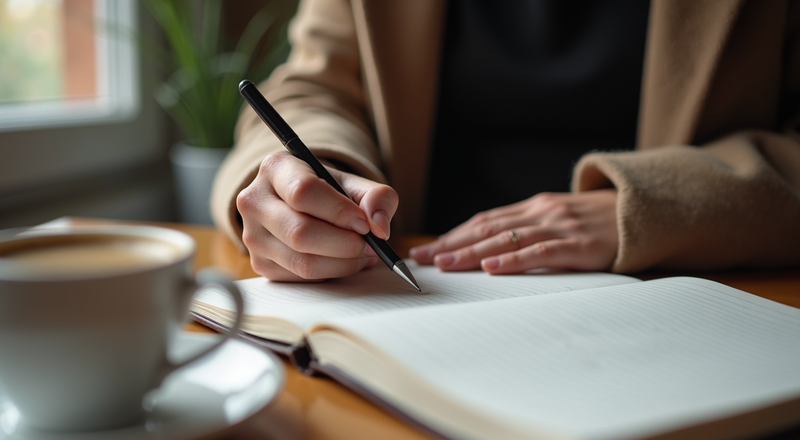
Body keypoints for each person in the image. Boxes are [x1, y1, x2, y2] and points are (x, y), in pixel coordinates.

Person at [210, 0, 800, 283]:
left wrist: (657, 206)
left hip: (692, 285)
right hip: (400, 281)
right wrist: (319, 175)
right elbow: (311, 87)